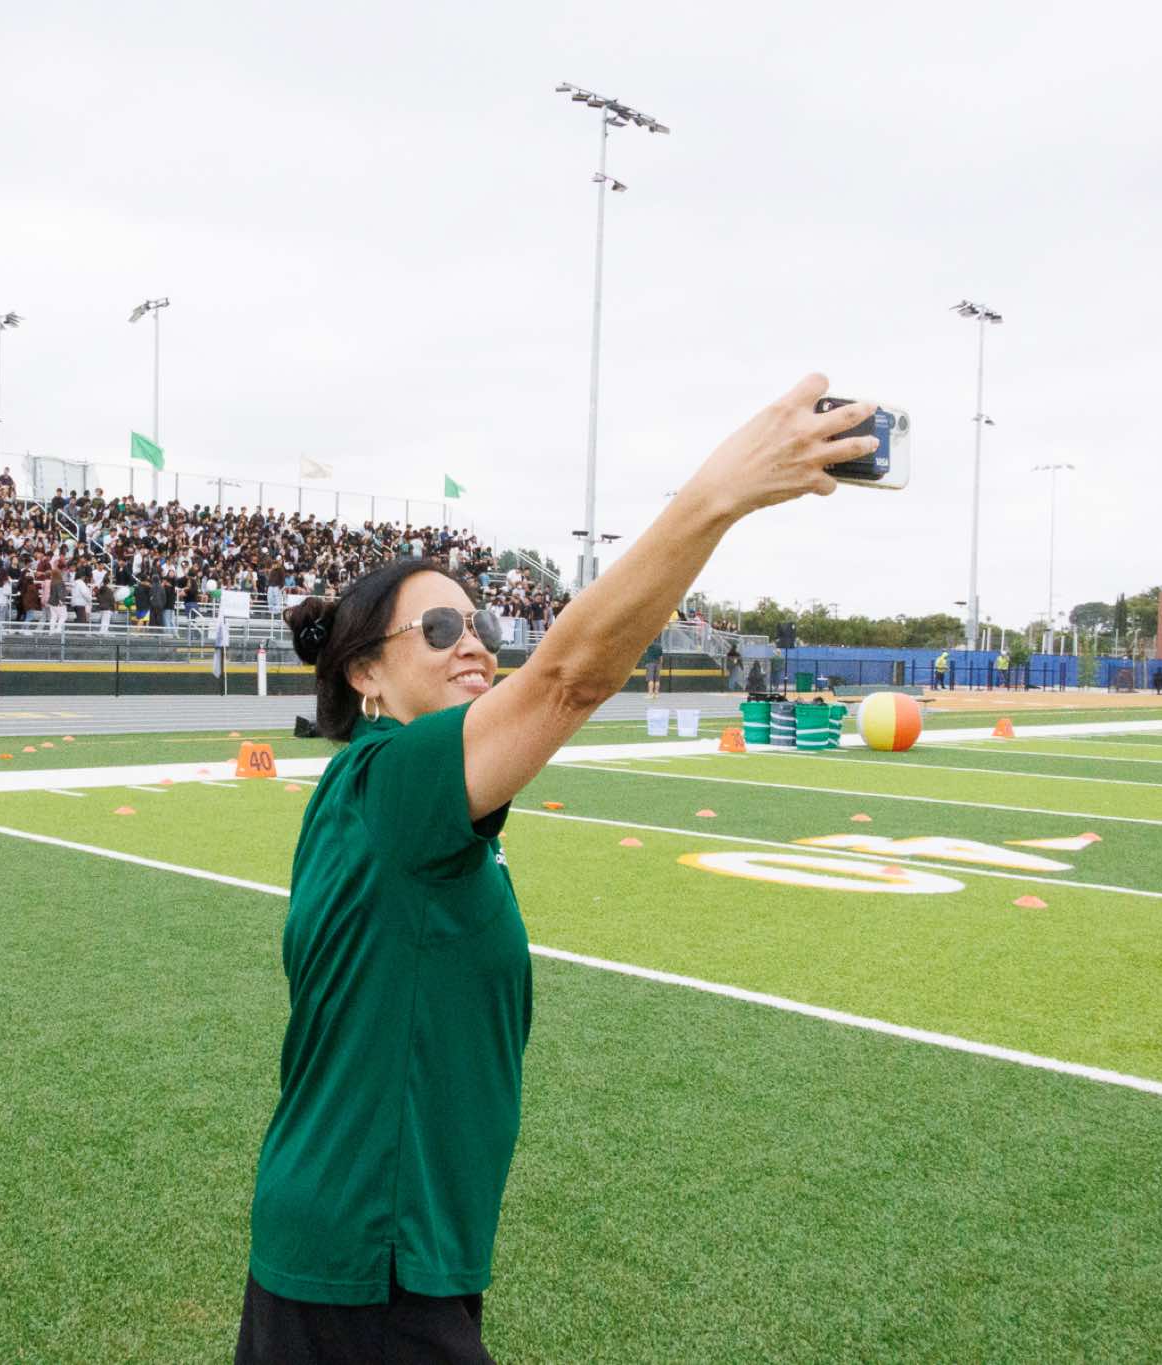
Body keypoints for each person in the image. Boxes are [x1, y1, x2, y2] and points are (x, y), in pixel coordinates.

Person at [238, 376, 880, 1363]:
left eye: (480, 627)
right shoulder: (392, 783)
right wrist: (718, 495)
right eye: (438, 630)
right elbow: (571, 676)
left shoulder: (391, 796)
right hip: (368, 1264)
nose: (472, 646)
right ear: (364, 673)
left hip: (385, 1247)